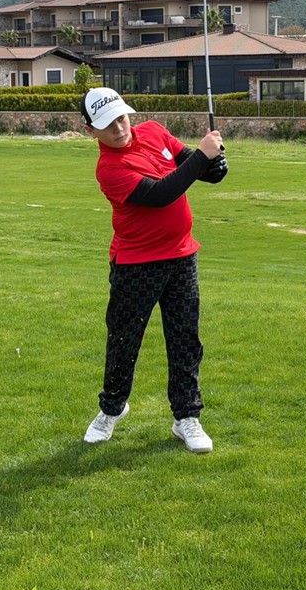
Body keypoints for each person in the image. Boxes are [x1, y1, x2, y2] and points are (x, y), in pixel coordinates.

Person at [80, 87, 228, 453]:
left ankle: (186, 417)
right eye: (107, 125)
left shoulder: (153, 131)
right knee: (124, 341)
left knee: (185, 339)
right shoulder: (109, 169)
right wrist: (202, 158)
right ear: (90, 130)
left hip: (182, 257)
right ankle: (112, 408)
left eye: (121, 118)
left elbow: (191, 165)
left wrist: (213, 165)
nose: (119, 129)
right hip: (136, 264)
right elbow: (161, 193)